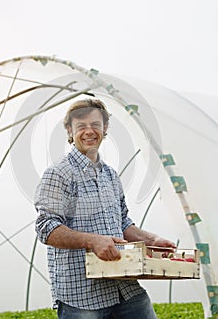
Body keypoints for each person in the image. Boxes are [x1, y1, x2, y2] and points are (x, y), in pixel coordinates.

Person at [34, 98, 176, 319]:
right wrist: (92, 241)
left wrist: (151, 240)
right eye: (81, 126)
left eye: (95, 125)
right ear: (70, 131)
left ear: (105, 128)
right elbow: (46, 228)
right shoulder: (58, 174)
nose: (89, 131)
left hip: (123, 287)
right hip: (82, 294)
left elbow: (123, 222)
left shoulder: (110, 175)